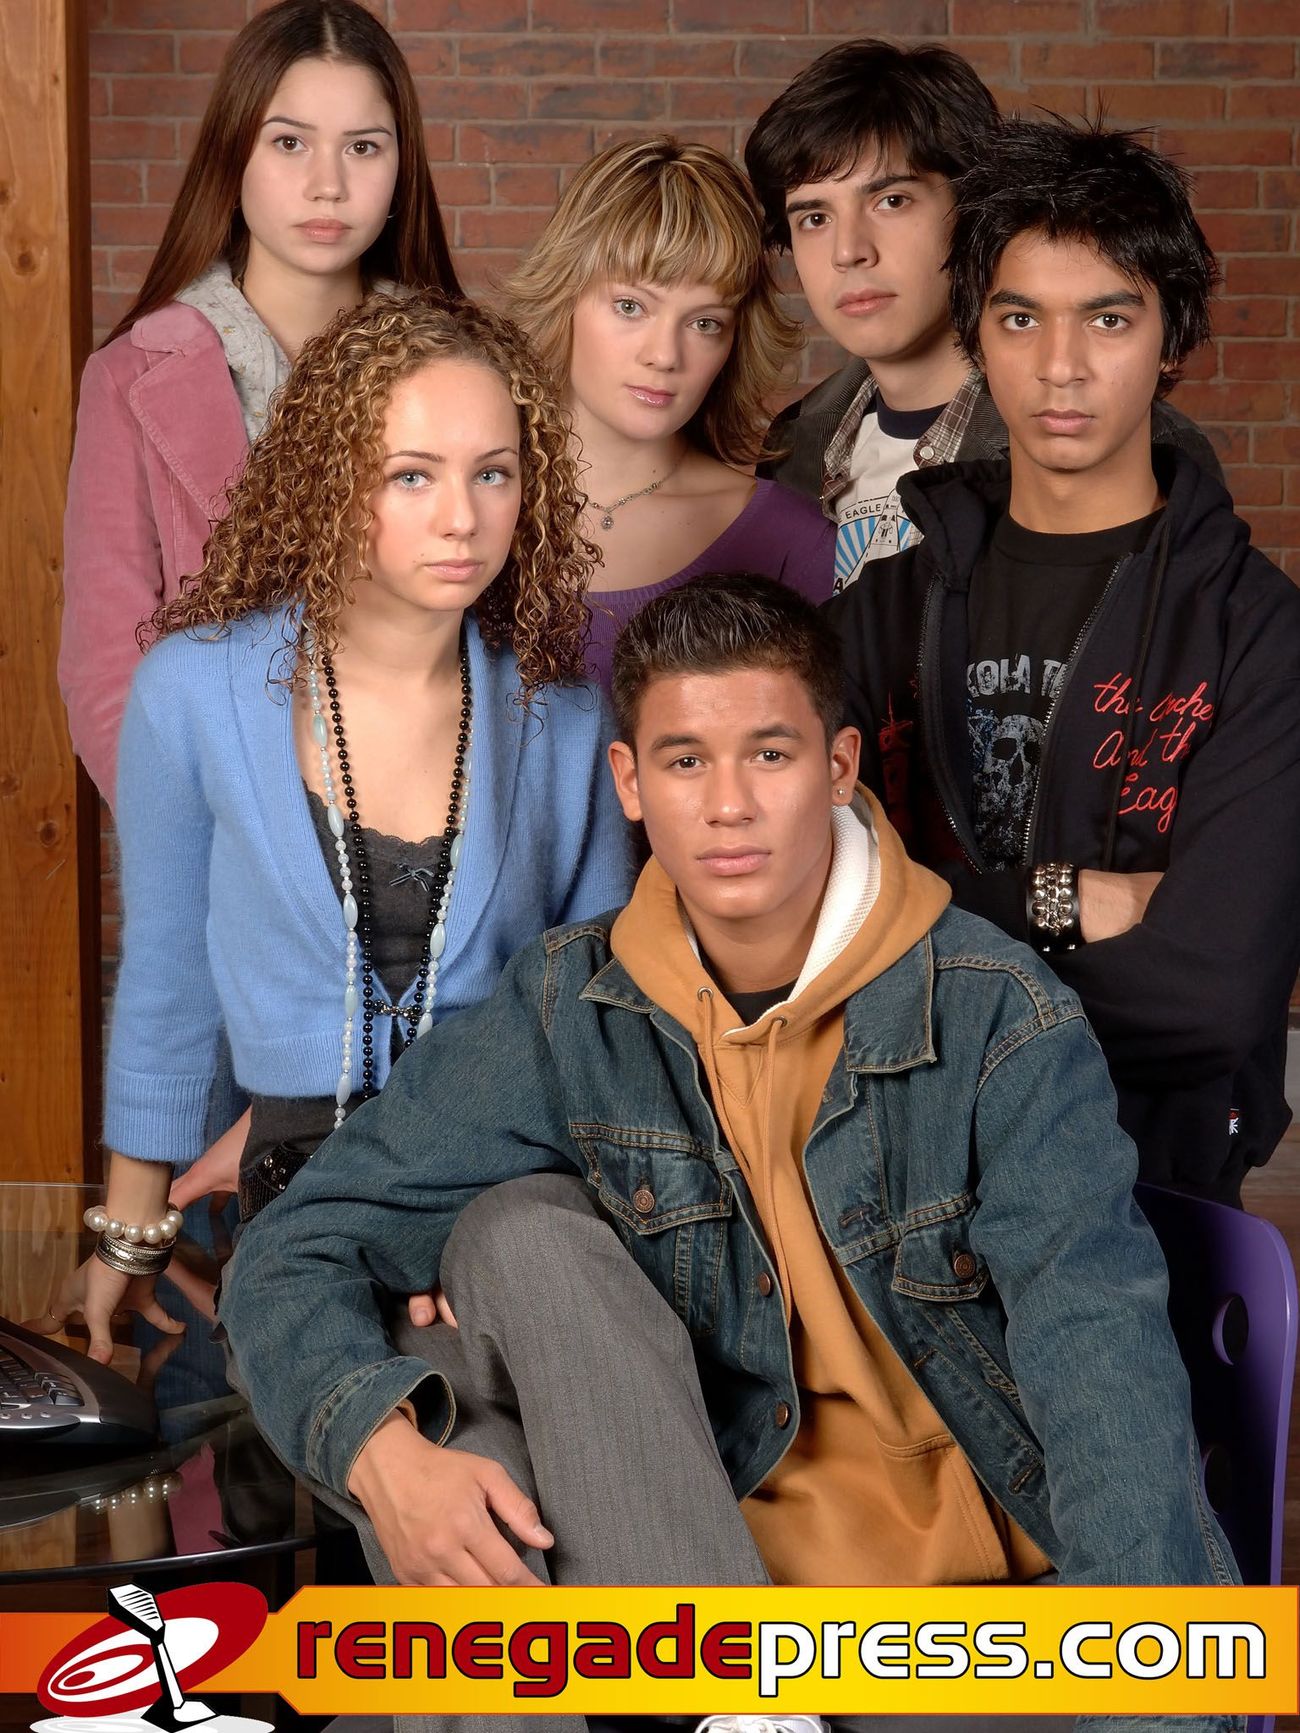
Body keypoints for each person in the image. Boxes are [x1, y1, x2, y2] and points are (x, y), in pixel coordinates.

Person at [220, 574, 1237, 1733]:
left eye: (769, 753)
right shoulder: (571, 1009)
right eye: (685, 760)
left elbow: (1101, 1369)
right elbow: (293, 1249)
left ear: (839, 767)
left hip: (954, 1622)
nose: (728, 805)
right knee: (506, 1252)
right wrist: (378, 1451)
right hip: (699, 1577)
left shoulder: (997, 1015)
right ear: (630, 783)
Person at [32, 293, 631, 1364]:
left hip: (503, 1180)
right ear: (331, 478)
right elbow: (170, 970)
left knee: (485, 1407)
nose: (463, 517)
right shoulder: (193, 691)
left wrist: (458, 1198)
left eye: (494, 473)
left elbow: (598, 1016)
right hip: (287, 1187)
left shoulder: (567, 717)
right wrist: (131, 1228)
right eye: (413, 475)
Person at [826, 118, 1300, 1202]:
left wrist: (915, 935)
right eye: (1020, 317)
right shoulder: (878, 612)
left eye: (1108, 318)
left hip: (1143, 1194)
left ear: (1172, 339)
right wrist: (1058, 899)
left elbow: (1211, 994)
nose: (1060, 366)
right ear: (976, 335)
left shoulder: (1257, 634)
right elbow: (786, 907)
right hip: (882, 1177)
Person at [59, 0, 461, 805]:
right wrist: (207, 843)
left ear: (401, 168)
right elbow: (106, 673)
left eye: (363, 147)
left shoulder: (460, 366)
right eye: (289, 142)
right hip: (220, 830)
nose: (328, 184)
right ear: (231, 154)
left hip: (430, 816)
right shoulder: (130, 379)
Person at [744, 40, 1220, 592]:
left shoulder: (1133, 441)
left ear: (973, 207)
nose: (848, 251)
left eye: (891, 201)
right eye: (815, 217)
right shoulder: (795, 443)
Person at [504, 136, 835, 687]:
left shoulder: (789, 541)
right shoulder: (464, 500)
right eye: (631, 306)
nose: (664, 355)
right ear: (565, 298)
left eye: (705, 323)